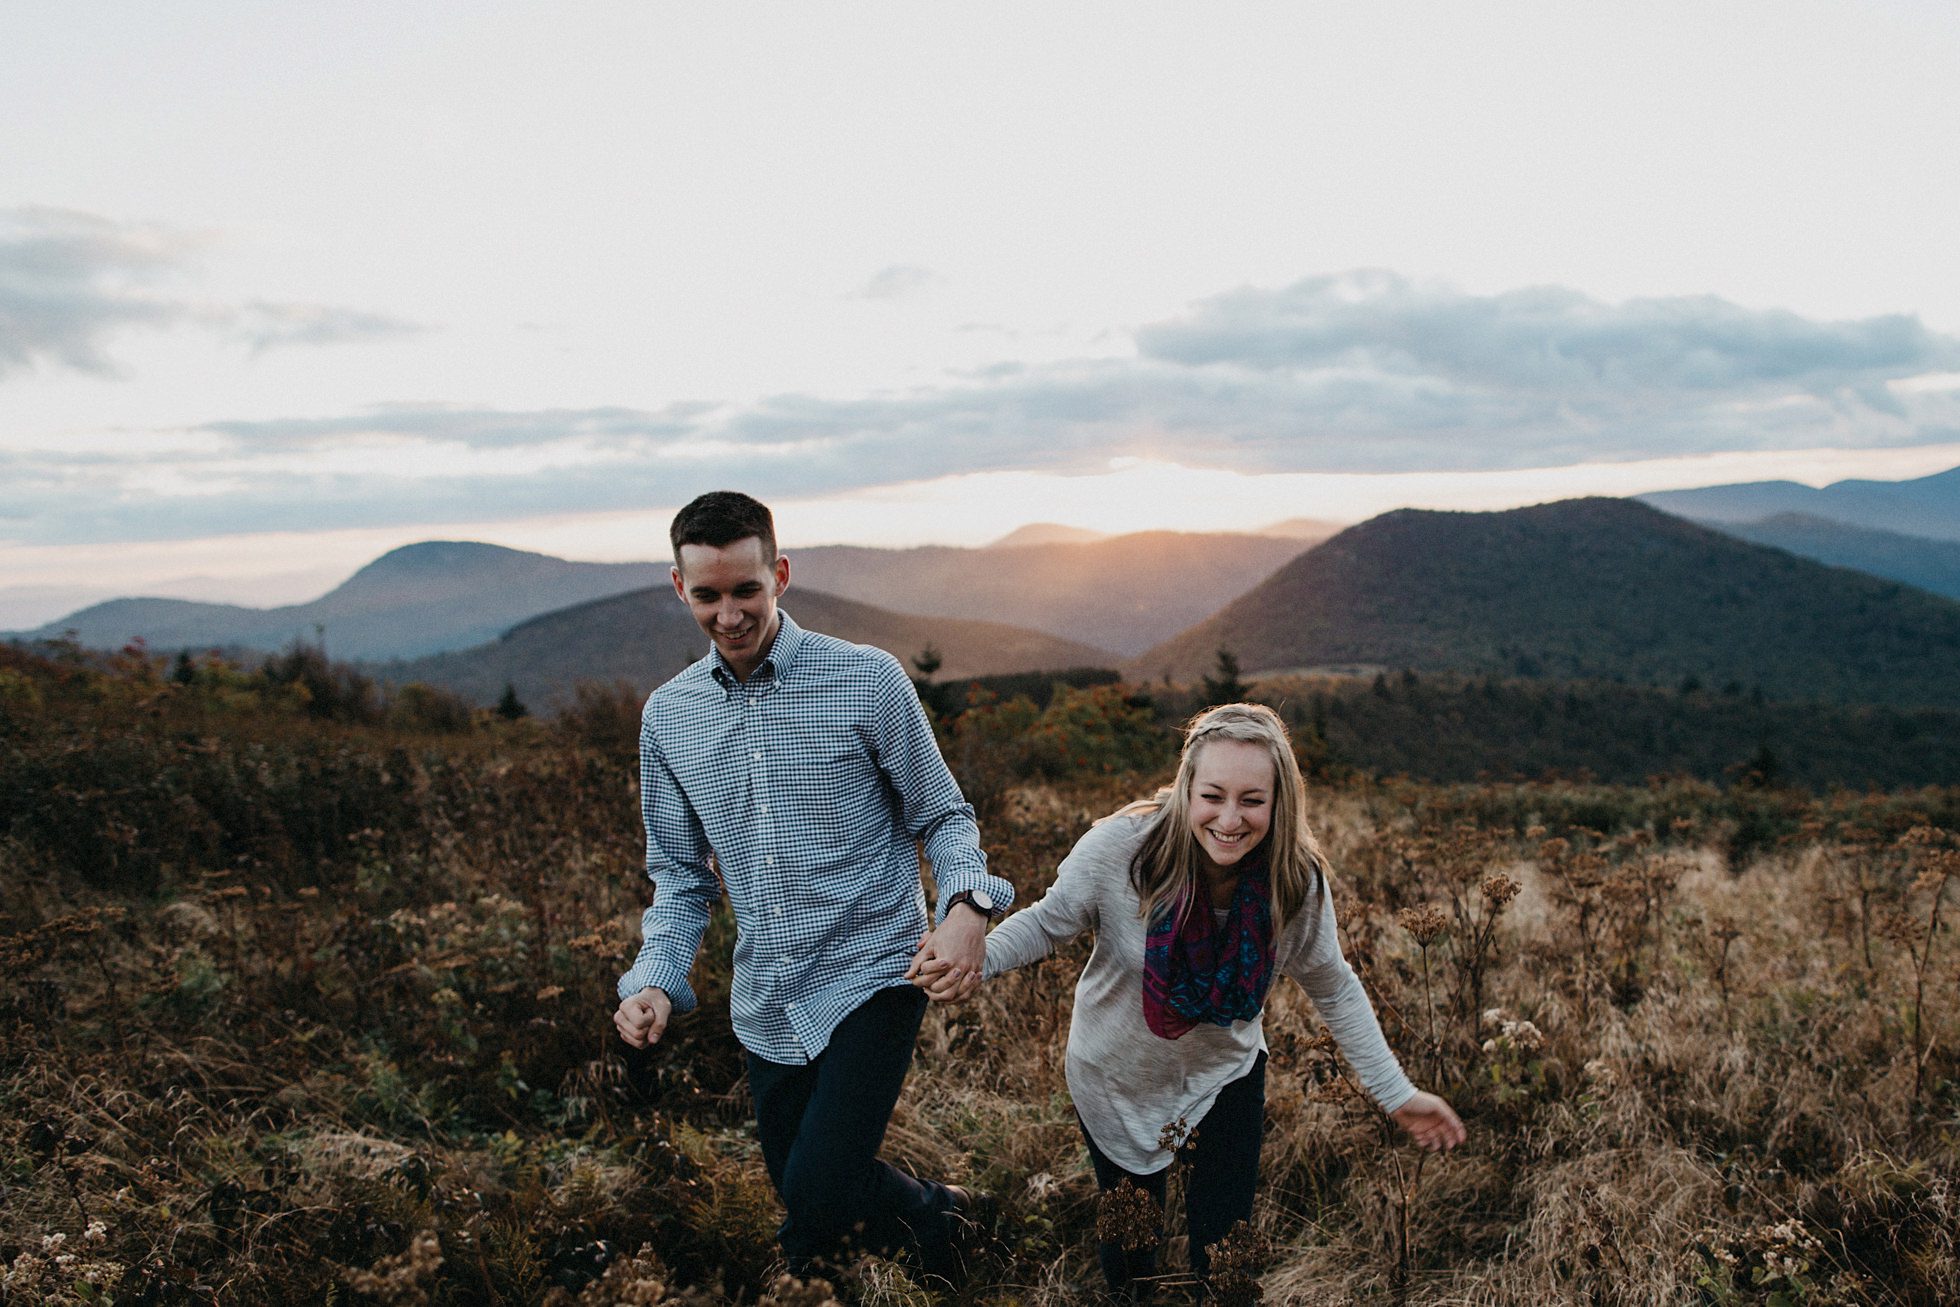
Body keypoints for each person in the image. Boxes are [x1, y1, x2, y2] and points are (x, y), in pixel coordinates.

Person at [915, 702, 1464, 1298]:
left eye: (1252, 800)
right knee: (1131, 1256)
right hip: (1113, 1080)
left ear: (1280, 803)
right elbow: (1049, 923)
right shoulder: (1122, 851)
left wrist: (1397, 1094)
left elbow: (1332, 982)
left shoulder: (1293, 883)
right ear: (1186, 788)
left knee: (1226, 1260)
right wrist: (974, 958)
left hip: (1221, 1080)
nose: (1230, 819)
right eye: (1213, 795)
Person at [612, 490, 1015, 1285]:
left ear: (781, 575)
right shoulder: (669, 718)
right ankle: (951, 1228)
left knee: (816, 1198)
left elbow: (942, 814)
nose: (729, 613)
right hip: (766, 995)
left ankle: (942, 1238)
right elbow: (680, 876)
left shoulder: (867, 680)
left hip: (876, 971)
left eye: (746, 590)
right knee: (816, 1206)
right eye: (708, 595)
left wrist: (967, 907)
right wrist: (656, 978)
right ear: (679, 588)